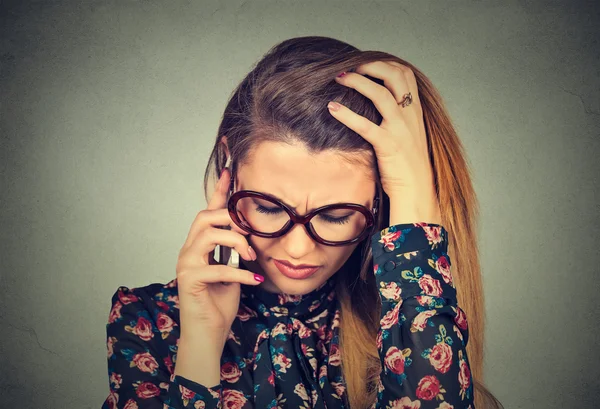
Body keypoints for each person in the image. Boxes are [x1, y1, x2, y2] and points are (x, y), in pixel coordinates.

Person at [101, 36, 503, 409]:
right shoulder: (146, 324)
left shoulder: (402, 319)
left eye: (336, 216)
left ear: (380, 203)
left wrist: (415, 198)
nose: (297, 249)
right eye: (269, 208)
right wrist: (201, 348)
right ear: (231, 168)